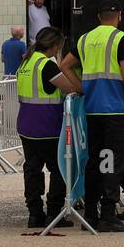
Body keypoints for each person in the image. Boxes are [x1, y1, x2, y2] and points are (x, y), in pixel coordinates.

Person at [59, 4, 124, 233]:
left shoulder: (84, 39)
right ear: (119, 16)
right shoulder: (121, 39)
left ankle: (90, 214)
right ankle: (108, 213)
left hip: (92, 108)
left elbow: (64, 65)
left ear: (98, 17)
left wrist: (81, 87)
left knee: (94, 160)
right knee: (113, 161)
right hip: (115, 109)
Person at [15, 27, 81, 229]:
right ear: (55, 46)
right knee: (59, 170)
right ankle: (54, 213)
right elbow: (70, 88)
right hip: (46, 125)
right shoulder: (47, 66)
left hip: (26, 125)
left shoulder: (26, 62)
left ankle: (34, 214)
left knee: (32, 170)